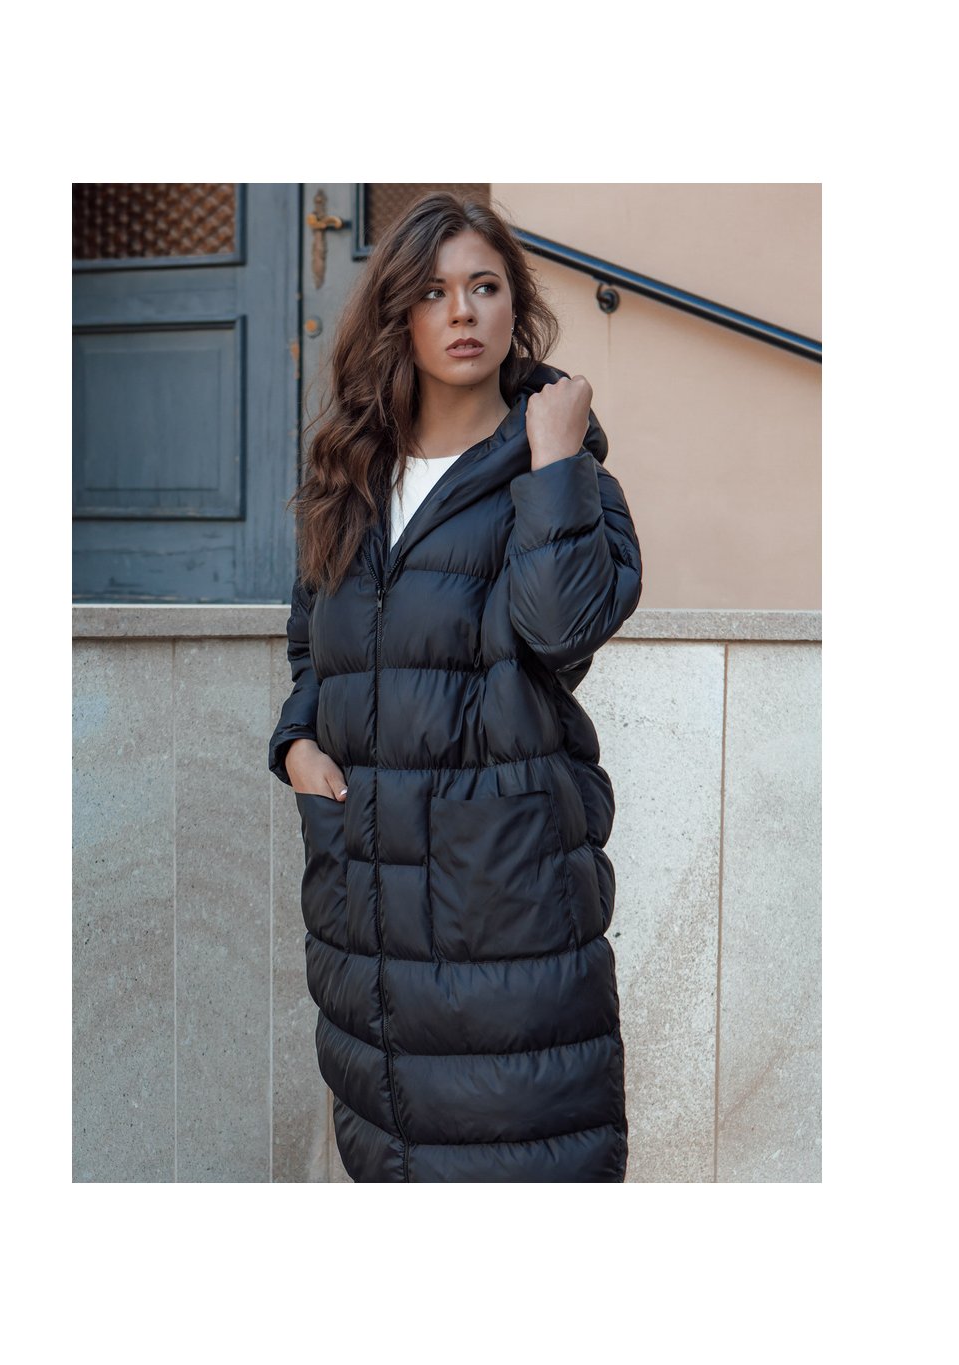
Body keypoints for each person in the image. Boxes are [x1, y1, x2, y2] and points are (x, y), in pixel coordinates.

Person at [268, 191, 644, 1182]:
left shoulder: (563, 475)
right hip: (365, 923)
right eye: (434, 292)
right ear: (398, 313)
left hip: (506, 917)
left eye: (484, 286)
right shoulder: (349, 478)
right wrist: (297, 745)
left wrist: (554, 460)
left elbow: (561, 631)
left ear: (516, 306)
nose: (463, 311)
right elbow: (313, 647)